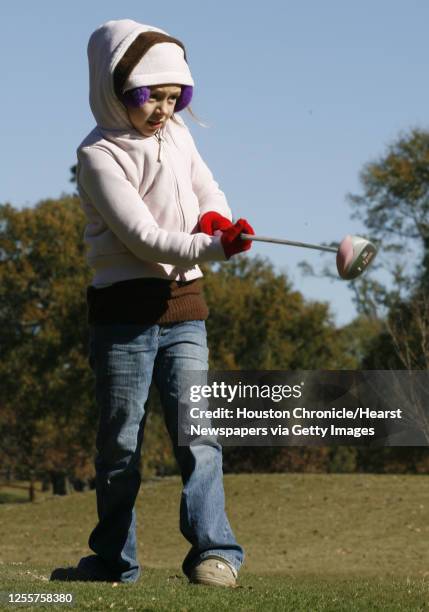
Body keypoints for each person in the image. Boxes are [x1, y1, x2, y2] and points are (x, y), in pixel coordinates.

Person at [74, 19, 254, 587]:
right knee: (121, 444)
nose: (164, 110)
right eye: (151, 96)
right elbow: (144, 238)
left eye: (175, 97)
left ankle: (215, 554)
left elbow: (208, 189)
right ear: (115, 87)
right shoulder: (98, 154)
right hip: (124, 316)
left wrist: (217, 220)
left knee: (198, 433)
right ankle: (113, 562)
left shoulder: (179, 136)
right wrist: (214, 246)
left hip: (185, 310)